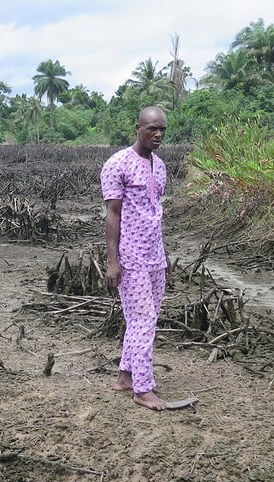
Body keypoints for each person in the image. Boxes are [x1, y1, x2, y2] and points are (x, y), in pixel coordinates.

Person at [100, 106, 172, 410]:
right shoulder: (117, 164)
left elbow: (155, 215)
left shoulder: (161, 166)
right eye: (151, 129)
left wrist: (164, 259)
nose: (157, 135)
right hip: (130, 257)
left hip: (155, 257)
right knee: (143, 321)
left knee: (143, 319)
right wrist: (113, 261)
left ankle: (126, 376)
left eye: (162, 130)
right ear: (138, 128)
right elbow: (112, 215)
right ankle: (143, 390)